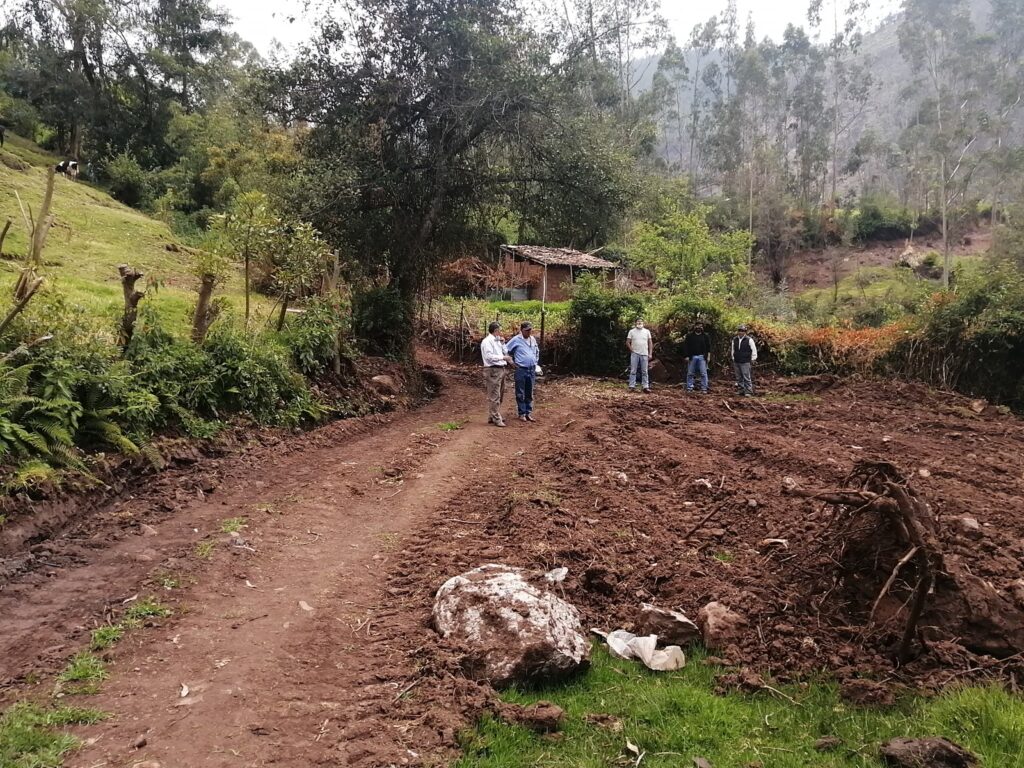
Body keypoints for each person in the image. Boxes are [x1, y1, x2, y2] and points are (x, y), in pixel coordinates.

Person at [505, 321, 541, 422]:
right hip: (521, 369)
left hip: (531, 369)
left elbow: (536, 351)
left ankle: (528, 412)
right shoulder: (516, 340)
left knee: (529, 391)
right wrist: (511, 362)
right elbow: (505, 350)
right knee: (520, 392)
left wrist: (535, 361)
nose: (529, 332)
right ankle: (522, 413)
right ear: (521, 330)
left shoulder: (532, 339)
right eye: (526, 330)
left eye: (530, 330)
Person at [480, 321, 513, 426]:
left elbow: (505, 351)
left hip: (500, 369)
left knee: (500, 393)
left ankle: (493, 415)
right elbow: (489, 357)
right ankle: (496, 418)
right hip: (493, 369)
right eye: (500, 330)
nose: (501, 332)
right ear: (496, 330)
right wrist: (503, 358)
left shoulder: (497, 340)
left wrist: (503, 344)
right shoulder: (487, 341)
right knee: (495, 394)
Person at [626, 317, 653, 393]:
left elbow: (650, 342)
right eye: (638, 321)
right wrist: (631, 350)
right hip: (635, 353)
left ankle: (645, 387)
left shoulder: (647, 331)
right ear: (635, 323)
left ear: (643, 323)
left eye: (641, 321)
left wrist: (650, 353)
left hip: (644, 353)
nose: (639, 322)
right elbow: (627, 342)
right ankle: (632, 386)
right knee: (633, 370)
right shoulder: (631, 331)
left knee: (645, 371)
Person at [683, 323, 711, 393]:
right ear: (694, 327)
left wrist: (708, 357)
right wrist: (686, 356)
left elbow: (708, 348)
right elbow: (686, 346)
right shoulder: (689, 336)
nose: (699, 327)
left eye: (700, 326)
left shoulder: (705, 336)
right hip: (692, 357)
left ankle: (704, 388)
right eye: (697, 326)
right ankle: (689, 388)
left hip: (702, 357)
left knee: (703, 373)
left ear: (702, 327)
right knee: (690, 373)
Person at [731, 324, 758, 396]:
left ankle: (748, 391)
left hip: (745, 361)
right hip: (737, 360)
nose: (741, 332)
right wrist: (733, 357)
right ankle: (741, 390)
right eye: (739, 330)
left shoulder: (749, 340)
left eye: (742, 331)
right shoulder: (734, 339)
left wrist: (753, 358)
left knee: (746, 376)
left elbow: (754, 350)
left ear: (745, 332)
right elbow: (733, 350)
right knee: (738, 377)